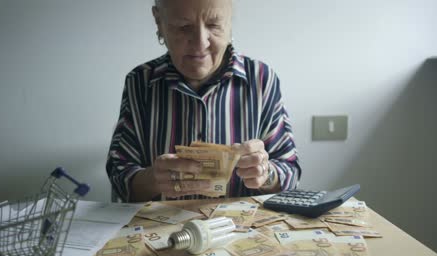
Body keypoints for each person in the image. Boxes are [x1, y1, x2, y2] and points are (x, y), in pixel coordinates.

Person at [106, 0, 301, 202]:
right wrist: (154, 179)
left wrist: (265, 173)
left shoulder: (262, 79)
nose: (200, 43)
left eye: (214, 25)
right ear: (159, 22)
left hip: (240, 231)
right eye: (183, 26)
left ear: (229, 20)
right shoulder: (140, 82)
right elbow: (119, 175)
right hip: (162, 231)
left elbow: (291, 173)